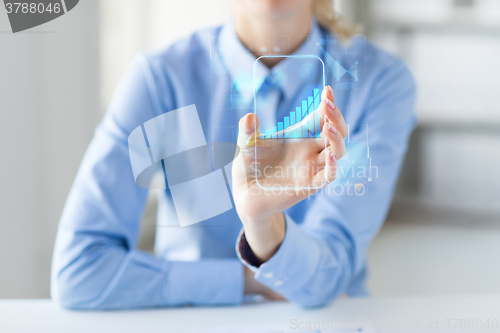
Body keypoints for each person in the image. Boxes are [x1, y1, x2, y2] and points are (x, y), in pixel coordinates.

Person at [51, 0, 416, 309]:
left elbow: (327, 276)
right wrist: (248, 281)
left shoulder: (378, 82)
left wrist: (264, 223)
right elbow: (79, 272)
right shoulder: (160, 80)